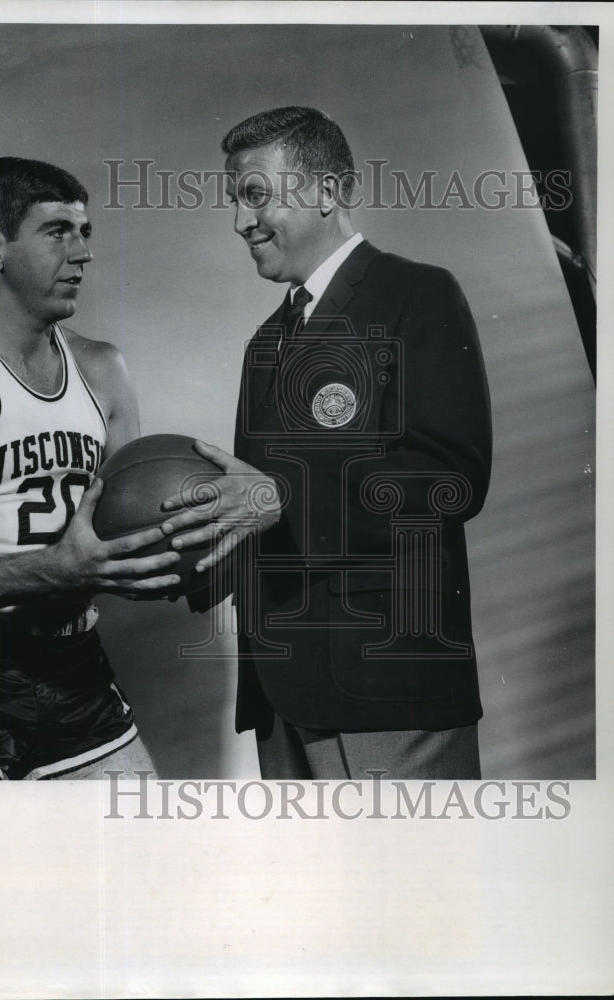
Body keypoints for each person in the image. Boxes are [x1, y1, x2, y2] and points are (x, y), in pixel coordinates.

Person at [162, 107, 492, 779]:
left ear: (325, 192)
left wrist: (278, 497)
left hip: (386, 689)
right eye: (235, 200)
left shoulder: (414, 295)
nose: (238, 221)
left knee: (407, 884)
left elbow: (449, 477)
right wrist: (193, 551)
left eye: (255, 195)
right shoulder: (266, 341)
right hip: (282, 697)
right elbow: (256, 509)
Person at [0, 156, 183, 780]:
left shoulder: (104, 370)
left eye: (85, 232)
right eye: (57, 232)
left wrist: (194, 543)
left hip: (74, 667)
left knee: (151, 861)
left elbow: (130, 524)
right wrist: (54, 569)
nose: (82, 253)